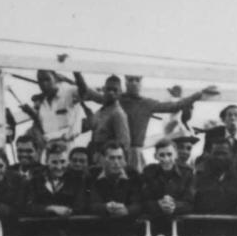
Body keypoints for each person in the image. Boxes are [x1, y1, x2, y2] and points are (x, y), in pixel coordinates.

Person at [81, 74, 219, 172]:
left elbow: (175, 106)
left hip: (135, 152)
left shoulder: (147, 103)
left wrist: (198, 94)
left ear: (141, 82)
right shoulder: (115, 99)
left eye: (137, 79)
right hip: (112, 152)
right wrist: (75, 74)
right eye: (130, 79)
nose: (133, 82)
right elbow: (89, 93)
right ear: (125, 82)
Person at [21, 70, 84, 152]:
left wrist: (74, 70)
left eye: (47, 79)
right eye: (40, 80)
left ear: (56, 78)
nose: (44, 84)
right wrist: (33, 114)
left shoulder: (69, 92)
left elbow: (84, 91)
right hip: (48, 151)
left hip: (68, 149)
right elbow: (43, 127)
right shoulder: (42, 103)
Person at [74, 73, 130, 164]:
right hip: (94, 154)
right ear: (104, 90)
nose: (111, 92)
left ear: (120, 92)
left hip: (107, 159)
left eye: (115, 90)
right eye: (108, 89)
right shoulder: (102, 110)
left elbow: (124, 144)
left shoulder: (118, 114)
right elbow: (86, 91)